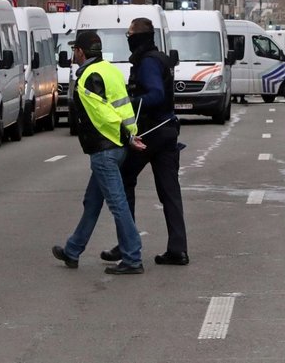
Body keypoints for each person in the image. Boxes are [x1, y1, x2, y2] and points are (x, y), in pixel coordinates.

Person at [52, 31, 147, 275]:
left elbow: (102, 115)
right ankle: (73, 250)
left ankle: (133, 257)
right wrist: (129, 136)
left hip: (105, 149)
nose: (73, 54)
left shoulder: (87, 78)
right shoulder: (110, 70)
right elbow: (124, 107)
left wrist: (125, 136)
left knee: (117, 204)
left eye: (75, 50)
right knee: (92, 201)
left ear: (81, 52)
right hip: (118, 147)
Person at [102, 17, 189, 266]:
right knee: (170, 192)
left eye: (129, 34)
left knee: (124, 179)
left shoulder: (148, 62)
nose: (127, 38)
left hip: (150, 133)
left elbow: (156, 94)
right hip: (168, 132)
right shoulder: (159, 58)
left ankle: (126, 243)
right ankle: (178, 249)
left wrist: (130, 104)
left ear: (138, 37)